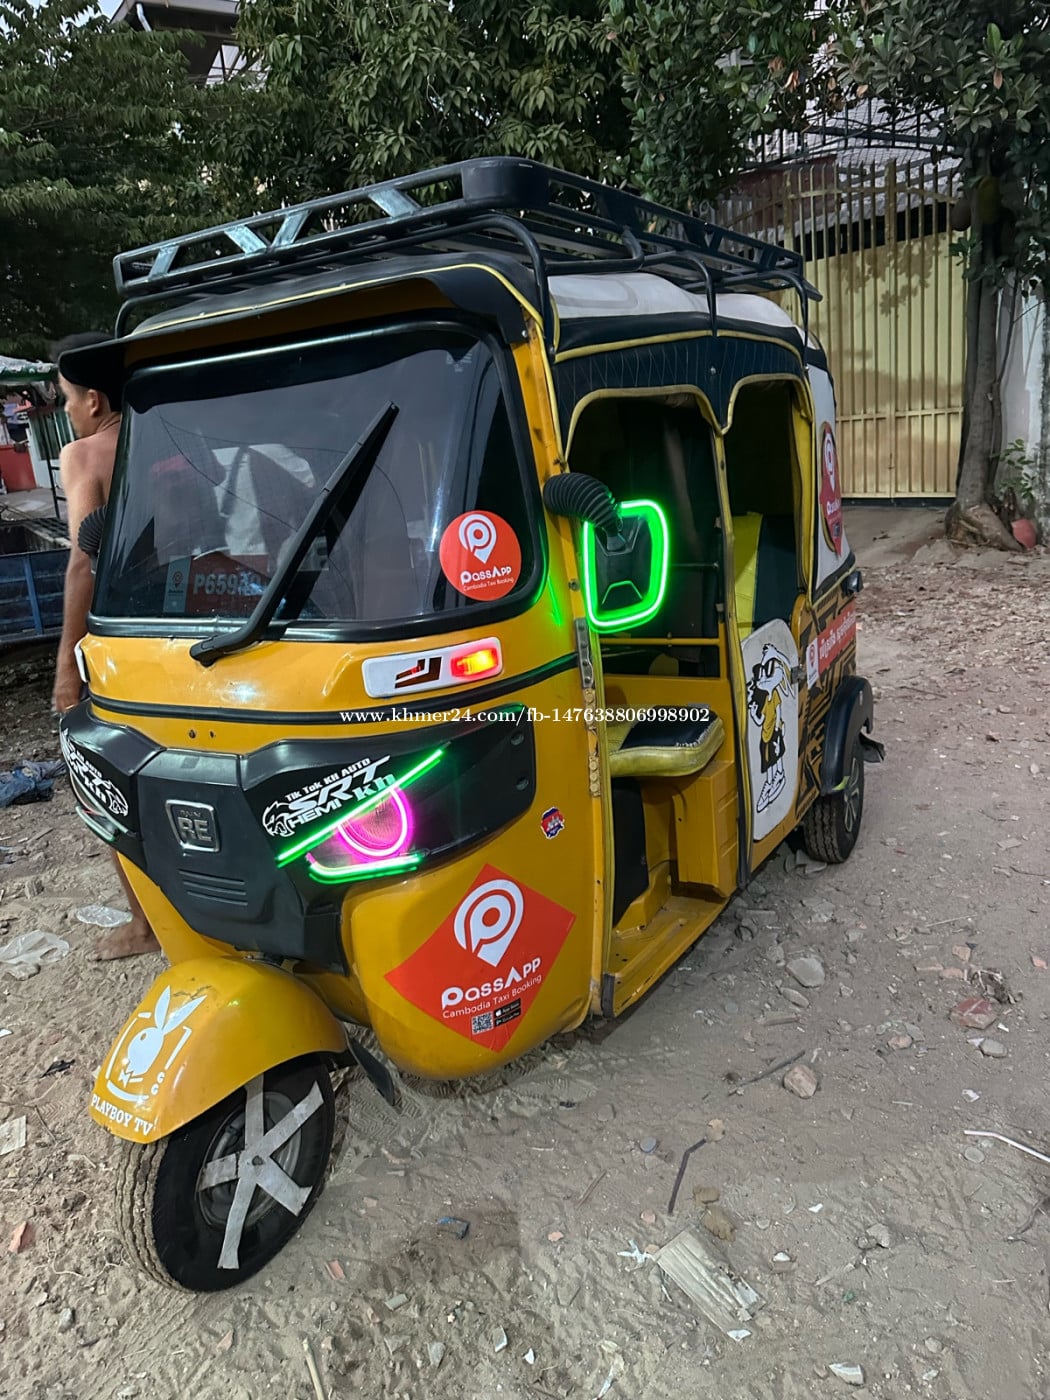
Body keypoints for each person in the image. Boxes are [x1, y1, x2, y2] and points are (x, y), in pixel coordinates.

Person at [51, 332, 160, 961]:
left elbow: (82, 563)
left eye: (66, 399)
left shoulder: (83, 454)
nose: (66, 411)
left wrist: (66, 665)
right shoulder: (169, 439)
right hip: (181, 631)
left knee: (105, 777)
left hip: (117, 641)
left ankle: (144, 924)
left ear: (93, 399)